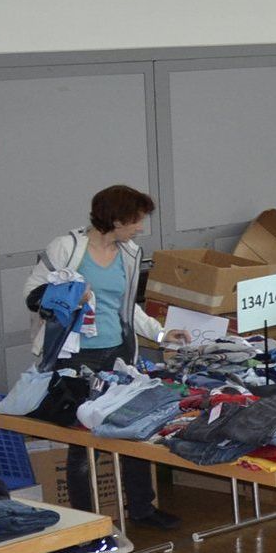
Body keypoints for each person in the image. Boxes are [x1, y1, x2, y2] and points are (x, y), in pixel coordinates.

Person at [23, 185, 180, 532]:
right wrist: (73, 295)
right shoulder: (66, 248)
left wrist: (158, 333)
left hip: (119, 352)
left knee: (134, 429)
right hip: (77, 357)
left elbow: (126, 307)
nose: (140, 228)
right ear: (117, 218)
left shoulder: (130, 252)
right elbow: (33, 296)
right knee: (84, 441)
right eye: (136, 221)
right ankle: (89, 523)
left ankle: (141, 507)